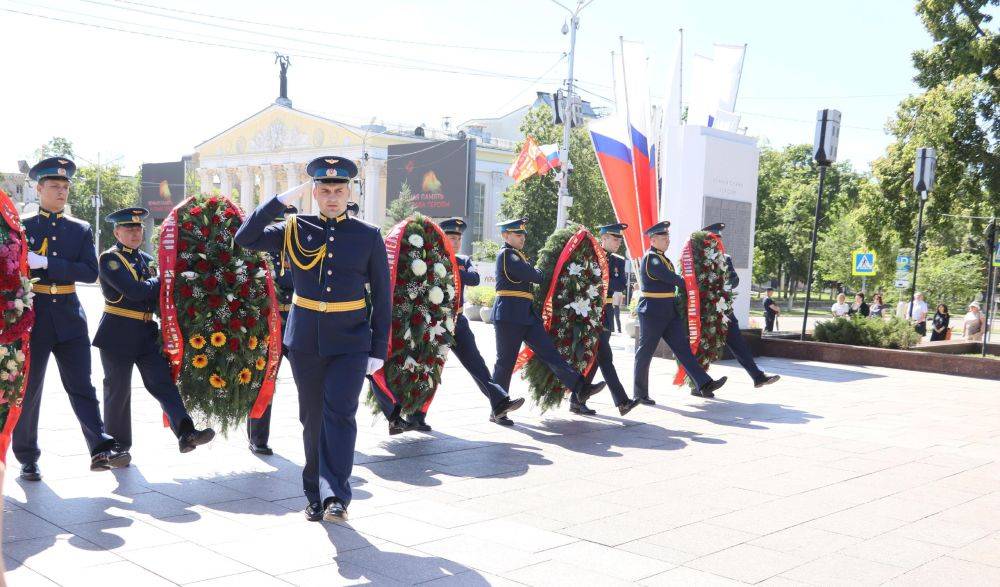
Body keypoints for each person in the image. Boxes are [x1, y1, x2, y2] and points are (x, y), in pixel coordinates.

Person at [235, 155, 390, 523]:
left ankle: (336, 494)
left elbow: (383, 296)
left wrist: (379, 348)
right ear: (314, 193)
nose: (332, 197)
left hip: (351, 341)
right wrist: (281, 200)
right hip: (305, 341)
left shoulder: (367, 236)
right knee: (313, 418)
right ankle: (315, 494)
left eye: (338, 190)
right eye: (324, 190)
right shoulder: (293, 228)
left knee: (341, 414)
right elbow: (245, 238)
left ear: (349, 191)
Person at [14, 158, 129, 481]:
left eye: (65, 187)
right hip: (32, 315)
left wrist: (46, 262)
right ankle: (27, 456)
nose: (61, 192)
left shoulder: (79, 229)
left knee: (81, 385)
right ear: (39, 189)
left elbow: (90, 272)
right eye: (54, 186)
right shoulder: (21, 227)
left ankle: (100, 447)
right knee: (30, 388)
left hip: (69, 314)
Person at [94, 207, 215, 456]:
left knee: (163, 383)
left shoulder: (147, 260)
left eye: (138, 228)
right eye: (128, 228)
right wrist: (165, 277)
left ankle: (185, 432)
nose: (135, 232)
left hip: (147, 332)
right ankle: (118, 447)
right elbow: (136, 291)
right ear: (116, 231)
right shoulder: (110, 259)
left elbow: (159, 295)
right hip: (118, 332)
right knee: (118, 391)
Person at [490, 218, 606, 416]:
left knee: (550, 353)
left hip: (525, 314)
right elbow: (535, 276)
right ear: (505, 235)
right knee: (505, 362)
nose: (522, 238)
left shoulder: (518, 255)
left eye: (523, 235)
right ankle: (498, 408)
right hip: (509, 314)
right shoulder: (507, 255)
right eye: (518, 235)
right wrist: (537, 271)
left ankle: (580, 388)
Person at [438, 217, 525, 425]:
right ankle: (416, 415)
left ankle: (499, 403)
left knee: (477, 364)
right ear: (442, 238)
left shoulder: (463, 259)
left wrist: (452, 266)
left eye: (459, 238)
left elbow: (474, 279)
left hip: (459, 320)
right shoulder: (432, 259)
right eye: (452, 238)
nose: (457, 242)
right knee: (429, 368)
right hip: (437, 322)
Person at [633, 221, 727, 402]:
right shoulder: (651, 258)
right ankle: (640, 393)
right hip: (653, 311)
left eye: (668, 237)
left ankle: (704, 384)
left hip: (668, 310)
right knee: (645, 352)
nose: (667, 240)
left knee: (683, 349)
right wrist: (693, 281)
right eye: (663, 237)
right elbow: (673, 279)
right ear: (652, 240)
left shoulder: (663, 258)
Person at [702, 223, 781, 389]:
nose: (717, 242)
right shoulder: (700, 259)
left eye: (719, 239)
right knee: (702, 346)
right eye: (713, 239)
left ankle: (757, 377)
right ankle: (699, 384)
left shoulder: (726, 258)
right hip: (706, 311)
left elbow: (735, 281)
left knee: (738, 344)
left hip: (725, 311)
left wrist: (724, 278)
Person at [247, 205, 297, 455]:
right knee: (264, 382)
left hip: (295, 321)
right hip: (267, 325)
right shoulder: (254, 256)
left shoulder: (296, 251)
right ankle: (258, 438)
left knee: (309, 382)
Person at [576, 223, 639, 416]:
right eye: (614, 238)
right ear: (603, 238)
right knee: (604, 357)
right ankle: (621, 401)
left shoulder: (619, 261)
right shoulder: (592, 256)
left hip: (607, 311)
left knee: (597, 360)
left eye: (619, 239)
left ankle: (577, 399)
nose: (618, 242)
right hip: (592, 312)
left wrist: (606, 279)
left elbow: (619, 284)